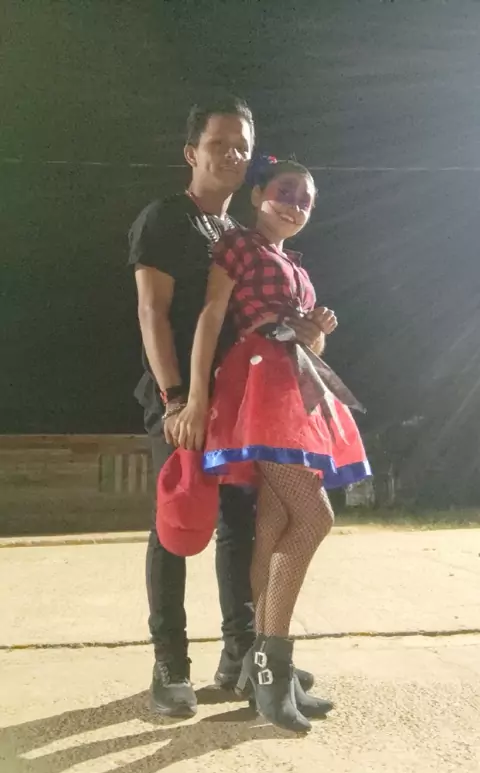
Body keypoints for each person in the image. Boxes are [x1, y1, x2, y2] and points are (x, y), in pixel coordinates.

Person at [128, 100, 317, 719]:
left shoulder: (238, 233)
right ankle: (170, 664)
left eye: (243, 146)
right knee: (177, 522)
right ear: (192, 152)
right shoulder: (166, 218)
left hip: (238, 401)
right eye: (220, 143)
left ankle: (240, 653)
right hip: (180, 397)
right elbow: (153, 312)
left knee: (240, 524)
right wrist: (175, 397)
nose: (232, 154)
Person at [171, 157, 371, 733]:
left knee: (276, 523)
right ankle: (270, 668)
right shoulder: (237, 245)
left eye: (306, 200)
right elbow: (212, 316)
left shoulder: (297, 268)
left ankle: (263, 667)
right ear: (258, 194)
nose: (296, 205)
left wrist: (316, 332)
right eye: (286, 192)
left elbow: (306, 348)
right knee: (315, 517)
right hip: (257, 384)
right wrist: (195, 397)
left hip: (294, 390)